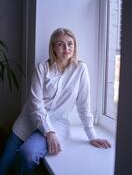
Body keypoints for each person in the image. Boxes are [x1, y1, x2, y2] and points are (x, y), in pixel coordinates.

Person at [0, 28, 111, 175]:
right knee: (2, 167)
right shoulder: (42, 68)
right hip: (27, 121)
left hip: (58, 123)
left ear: (75, 46)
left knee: (27, 155)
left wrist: (92, 136)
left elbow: (84, 106)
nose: (66, 48)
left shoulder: (81, 70)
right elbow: (36, 104)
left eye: (70, 44)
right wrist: (48, 131)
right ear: (53, 47)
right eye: (60, 44)